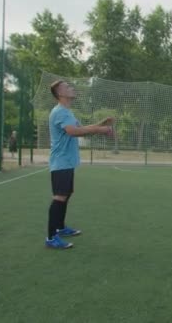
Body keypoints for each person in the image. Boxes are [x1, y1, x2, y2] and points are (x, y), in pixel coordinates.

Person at [45, 80, 114, 249]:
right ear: (60, 93)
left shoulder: (66, 112)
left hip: (66, 162)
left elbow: (80, 128)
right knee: (59, 197)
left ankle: (60, 228)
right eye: (67, 87)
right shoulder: (61, 112)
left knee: (66, 195)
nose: (71, 88)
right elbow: (73, 131)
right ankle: (51, 237)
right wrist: (100, 130)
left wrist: (100, 124)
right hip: (60, 162)